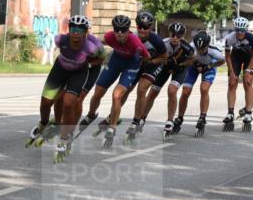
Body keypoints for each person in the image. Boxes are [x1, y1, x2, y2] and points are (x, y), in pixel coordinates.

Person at [26, 15, 106, 162]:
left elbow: (101, 58)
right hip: (61, 69)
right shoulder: (60, 40)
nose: (76, 33)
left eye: (79, 30)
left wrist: (88, 64)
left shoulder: (92, 46)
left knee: (71, 103)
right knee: (46, 102)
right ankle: (45, 123)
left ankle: (65, 137)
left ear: (85, 33)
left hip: (81, 71)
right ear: (69, 30)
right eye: (73, 29)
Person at [76, 14, 150, 148]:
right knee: (98, 92)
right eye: (117, 29)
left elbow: (147, 57)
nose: (119, 33)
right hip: (116, 60)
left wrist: (137, 65)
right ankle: (91, 114)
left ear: (128, 30)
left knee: (117, 95)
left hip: (131, 64)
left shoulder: (136, 43)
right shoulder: (109, 37)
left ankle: (112, 127)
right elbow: (100, 44)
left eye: (123, 30)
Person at [122, 11, 168, 143]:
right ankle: (114, 113)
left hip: (154, 64)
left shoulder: (157, 40)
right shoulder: (132, 37)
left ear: (151, 27)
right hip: (140, 64)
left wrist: (151, 62)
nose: (142, 30)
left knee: (141, 89)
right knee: (127, 88)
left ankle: (136, 121)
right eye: (140, 27)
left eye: (146, 27)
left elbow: (164, 57)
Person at [175, 31, 225, 137]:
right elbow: (185, 59)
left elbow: (222, 61)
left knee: (204, 89)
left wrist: (210, 66)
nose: (200, 51)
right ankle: (179, 118)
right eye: (198, 49)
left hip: (208, 67)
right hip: (193, 67)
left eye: (202, 49)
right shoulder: (191, 47)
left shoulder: (214, 51)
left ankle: (202, 117)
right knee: (185, 91)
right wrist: (192, 63)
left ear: (207, 45)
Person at [157, 22, 195, 140]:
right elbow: (157, 58)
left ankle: (170, 121)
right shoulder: (163, 43)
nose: (175, 38)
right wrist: (165, 62)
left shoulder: (187, 47)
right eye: (173, 35)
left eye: (178, 36)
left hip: (180, 69)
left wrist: (181, 64)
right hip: (166, 66)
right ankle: (141, 119)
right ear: (170, 34)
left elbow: (192, 60)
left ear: (182, 36)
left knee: (172, 90)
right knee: (153, 91)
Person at [222, 17, 253, 130]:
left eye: (242, 31)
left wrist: (248, 71)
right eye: (238, 30)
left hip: (249, 58)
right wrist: (232, 73)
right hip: (235, 56)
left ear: (246, 30)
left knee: (248, 83)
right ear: (235, 29)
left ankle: (248, 113)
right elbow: (227, 56)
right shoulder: (229, 38)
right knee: (232, 83)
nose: (240, 33)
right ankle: (230, 112)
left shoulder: (251, 38)